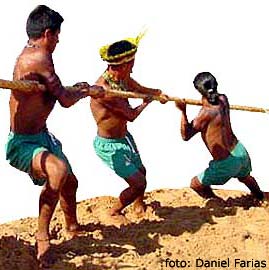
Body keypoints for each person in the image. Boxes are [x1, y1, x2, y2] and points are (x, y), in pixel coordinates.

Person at [5, 5, 104, 267]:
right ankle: (42, 236)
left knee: (69, 182)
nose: (59, 41)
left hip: (42, 136)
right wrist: (87, 92)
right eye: (58, 35)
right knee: (58, 172)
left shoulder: (36, 55)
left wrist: (82, 89)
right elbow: (65, 100)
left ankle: (72, 226)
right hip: (23, 143)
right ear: (48, 33)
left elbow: (59, 92)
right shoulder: (37, 57)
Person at [90, 36, 168, 225]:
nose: (133, 66)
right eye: (131, 62)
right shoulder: (105, 90)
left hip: (124, 137)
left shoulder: (123, 78)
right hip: (108, 145)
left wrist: (158, 93)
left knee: (141, 171)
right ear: (123, 64)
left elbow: (140, 88)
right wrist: (146, 103)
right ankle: (115, 211)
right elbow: (131, 115)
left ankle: (138, 206)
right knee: (138, 182)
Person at [175, 72, 264, 200]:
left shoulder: (204, 115)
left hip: (227, 162)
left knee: (195, 184)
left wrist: (183, 111)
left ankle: (216, 201)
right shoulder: (223, 99)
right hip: (240, 151)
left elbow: (185, 135)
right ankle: (259, 196)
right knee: (245, 177)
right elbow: (211, 103)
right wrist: (203, 100)